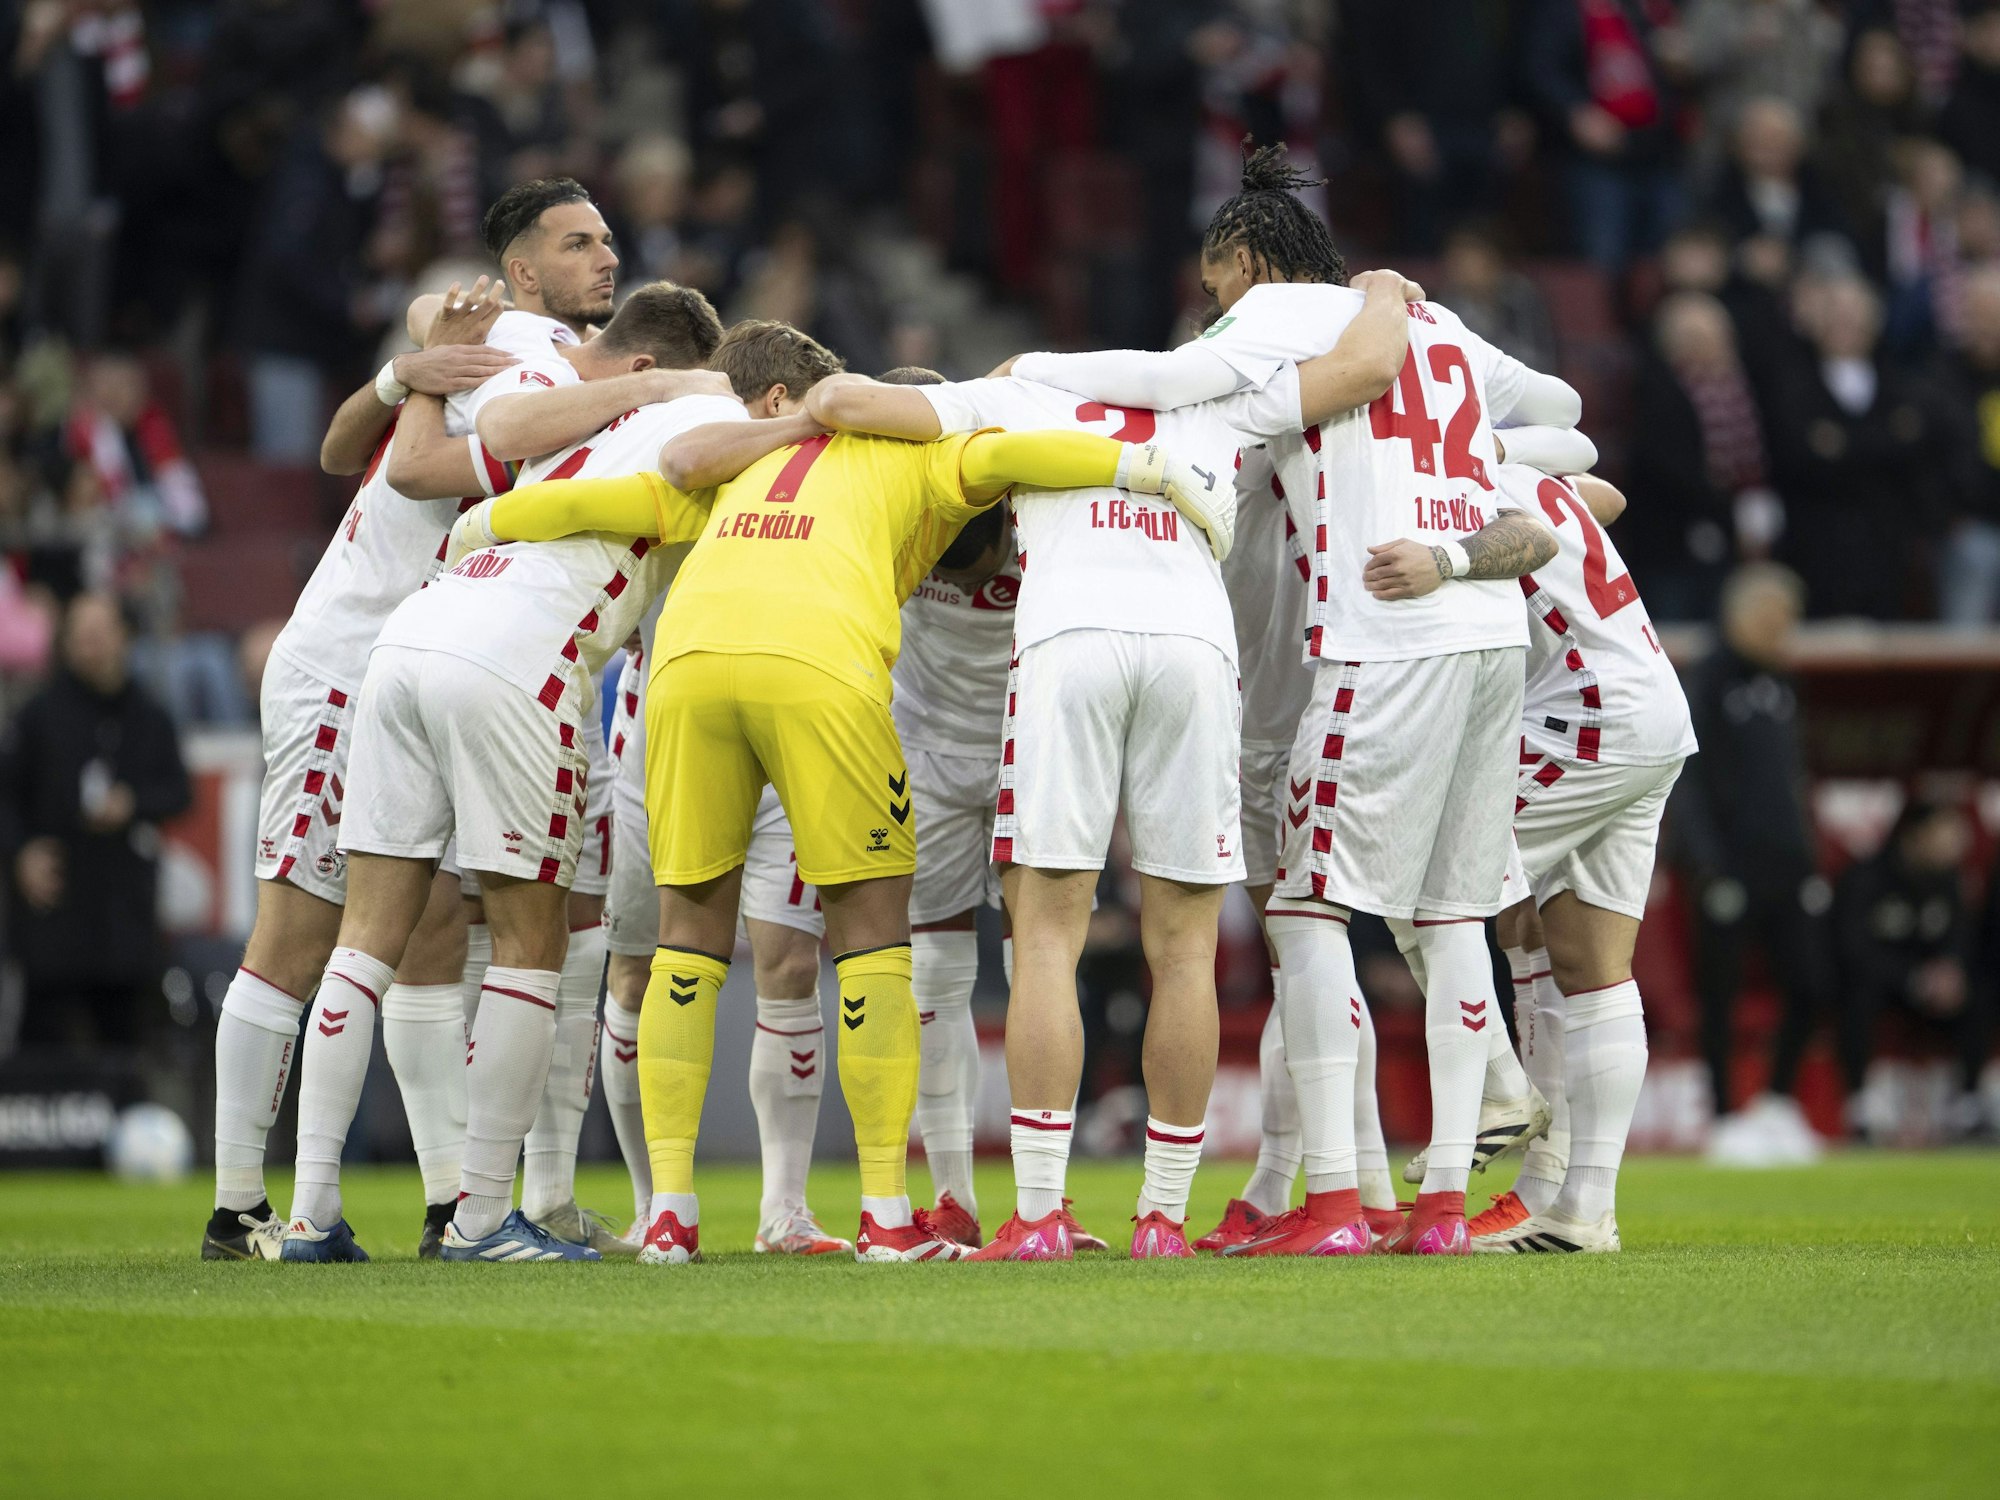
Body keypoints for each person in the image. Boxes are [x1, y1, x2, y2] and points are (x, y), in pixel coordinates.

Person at [476, 319, 1224, 1264]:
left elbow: (623, 496)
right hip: (819, 666)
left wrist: (487, 524)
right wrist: (1150, 471)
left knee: (687, 939)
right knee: (872, 939)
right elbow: (1027, 450)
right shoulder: (928, 455)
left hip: (687, 672)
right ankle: (887, 1216)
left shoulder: (750, 459)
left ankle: (668, 1214)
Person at [1011, 144, 1575, 1257]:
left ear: (1245, 260)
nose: (1212, 303)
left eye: (1212, 281)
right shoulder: (1438, 326)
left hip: (1378, 637)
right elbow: (1564, 410)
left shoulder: (1277, 317)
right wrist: (1464, 457)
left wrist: (1032, 368)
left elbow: (1167, 383)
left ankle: (1335, 1203)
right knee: (1449, 914)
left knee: (1307, 913)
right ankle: (1440, 1207)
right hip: (1488, 633)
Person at [203, 177, 686, 1263]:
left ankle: (449, 1203)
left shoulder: (516, 348)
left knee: (427, 936)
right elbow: (407, 460)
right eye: (578, 243)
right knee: (299, 932)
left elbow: (349, 447)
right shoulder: (521, 353)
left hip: (428, 661)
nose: (606, 257)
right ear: (522, 273)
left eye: (607, 239)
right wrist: (409, 368)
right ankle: (240, 1209)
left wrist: (407, 365)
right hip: (350, 660)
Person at [1457, 462, 1698, 1254]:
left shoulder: (1443, 468)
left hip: (1589, 711)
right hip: (1647, 704)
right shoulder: (1523, 468)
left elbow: (1519, 538)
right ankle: (1581, 1208)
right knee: (1589, 961)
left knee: (1434, 872)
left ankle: (1504, 1095)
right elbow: (1608, 496)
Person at [1679, 563, 1829, 1167]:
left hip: (1786, 865)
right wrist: (1707, 866)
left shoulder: (1782, 682)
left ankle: (1776, 1105)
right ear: (1743, 615)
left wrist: (1809, 858)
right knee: (1720, 995)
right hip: (1728, 866)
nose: (1785, 630)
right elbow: (1688, 778)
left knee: (1811, 984)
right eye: (1777, 618)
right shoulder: (1708, 679)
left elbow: (1792, 778)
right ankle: (1721, 1118)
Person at [1, 592, 189, 1053]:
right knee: (43, 1050)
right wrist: (21, 854)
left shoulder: (151, 716)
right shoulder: (36, 716)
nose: (89, 646)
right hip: (54, 910)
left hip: (122, 914)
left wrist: (133, 804)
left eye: (99, 634)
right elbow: (6, 797)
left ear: (124, 637)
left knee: (124, 1046)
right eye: (80, 636)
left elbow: (179, 792)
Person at [1836, 799, 1988, 1142]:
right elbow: (1853, 949)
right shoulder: (1866, 877)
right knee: (1857, 997)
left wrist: (1951, 970)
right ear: (1915, 835)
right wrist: (1912, 978)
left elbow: (1962, 936)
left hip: (1930, 988)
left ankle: (1968, 1104)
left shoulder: (1950, 881)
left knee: (1978, 994)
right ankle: (1860, 1105)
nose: (1953, 844)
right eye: (1943, 833)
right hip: (1886, 982)